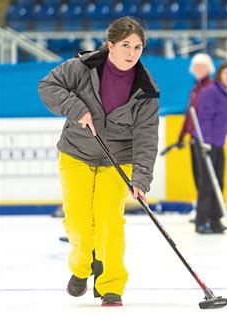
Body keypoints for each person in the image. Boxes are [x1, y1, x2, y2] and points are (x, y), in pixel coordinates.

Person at [38, 17, 160, 307]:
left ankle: (111, 284)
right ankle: (81, 267)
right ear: (110, 45)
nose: (132, 53)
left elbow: (146, 137)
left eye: (138, 47)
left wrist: (141, 179)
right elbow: (48, 86)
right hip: (76, 154)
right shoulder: (82, 67)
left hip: (119, 160)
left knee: (109, 221)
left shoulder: (145, 88)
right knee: (78, 221)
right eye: (126, 45)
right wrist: (75, 107)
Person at [195, 62, 227, 234]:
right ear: (219, 75)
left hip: (218, 145)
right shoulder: (210, 92)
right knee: (207, 184)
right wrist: (205, 142)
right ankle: (201, 221)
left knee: (219, 183)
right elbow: (205, 118)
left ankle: (215, 221)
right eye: (226, 73)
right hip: (204, 144)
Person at [177, 53, 215, 190]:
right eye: (196, 66)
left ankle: (209, 208)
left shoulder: (212, 88)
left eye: (202, 66)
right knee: (197, 173)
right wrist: (182, 136)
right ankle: (201, 206)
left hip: (207, 139)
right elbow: (189, 115)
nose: (198, 69)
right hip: (194, 138)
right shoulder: (195, 89)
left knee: (207, 174)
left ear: (208, 68)